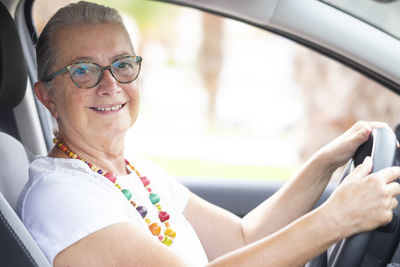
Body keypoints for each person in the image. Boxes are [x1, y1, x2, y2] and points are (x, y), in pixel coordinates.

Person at [16, 1, 400, 266]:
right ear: (47, 95)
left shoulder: (136, 172)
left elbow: (242, 238)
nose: (110, 85)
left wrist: (323, 163)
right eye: (83, 70)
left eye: (122, 64)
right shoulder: (61, 197)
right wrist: (337, 219)